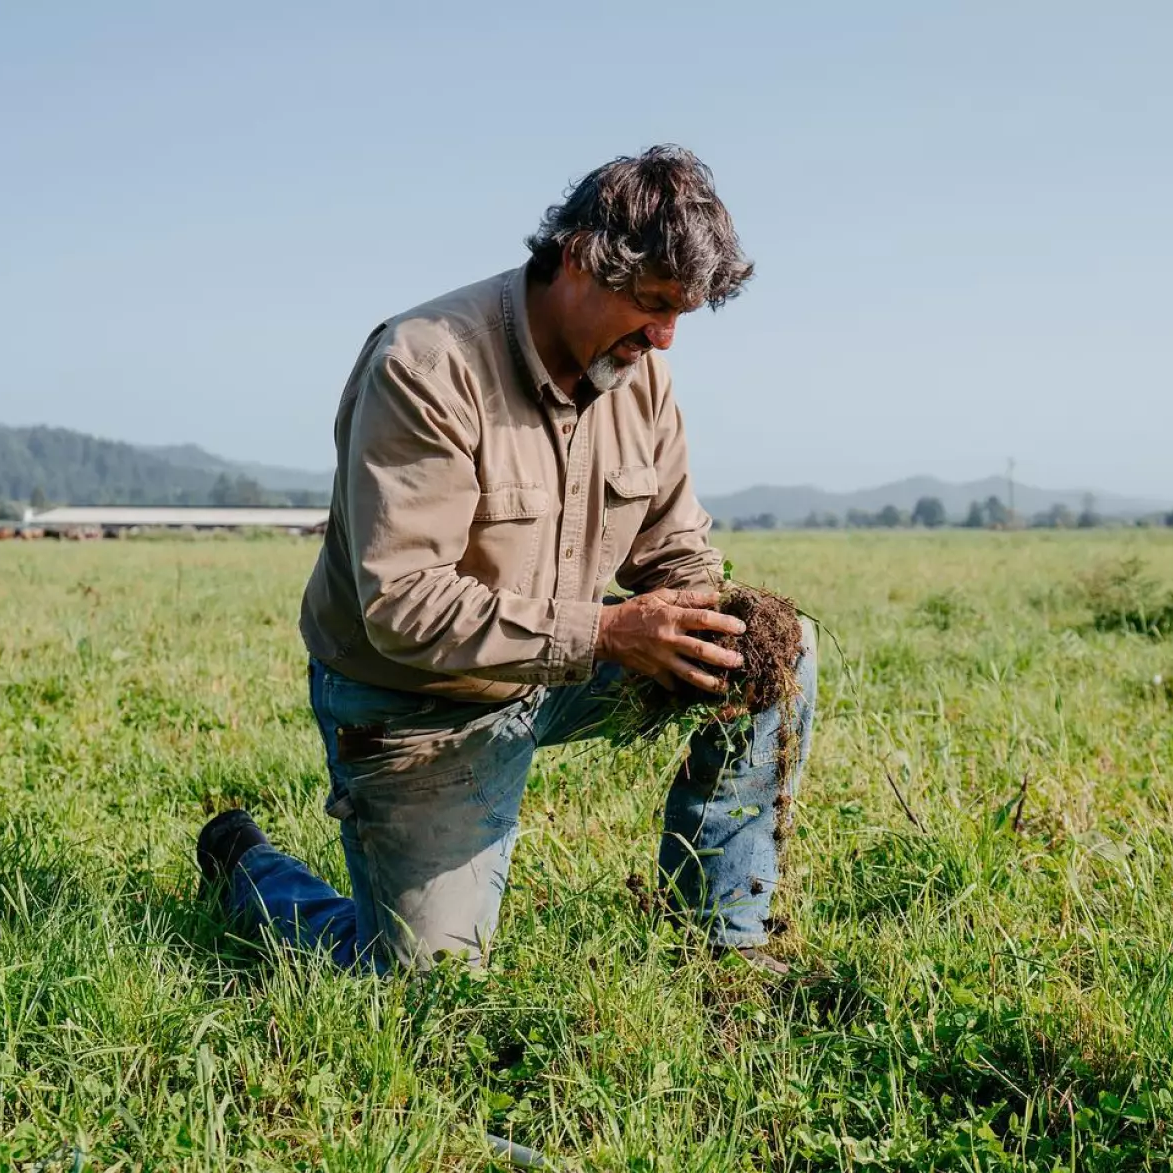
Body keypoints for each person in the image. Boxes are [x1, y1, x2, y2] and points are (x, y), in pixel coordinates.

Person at [196, 145, 817, 975]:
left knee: (776, 648)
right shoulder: (426, 366)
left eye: (684, 313)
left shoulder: (641, 372)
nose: (665, 337)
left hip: (559, 668)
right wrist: (609, 633)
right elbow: (405, 605)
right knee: (421, 980)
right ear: (577, 260)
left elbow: (672, 543)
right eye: (654, 304)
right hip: (418, 701)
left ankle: (722, 947)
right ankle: (247, 867)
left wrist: (701, 608)